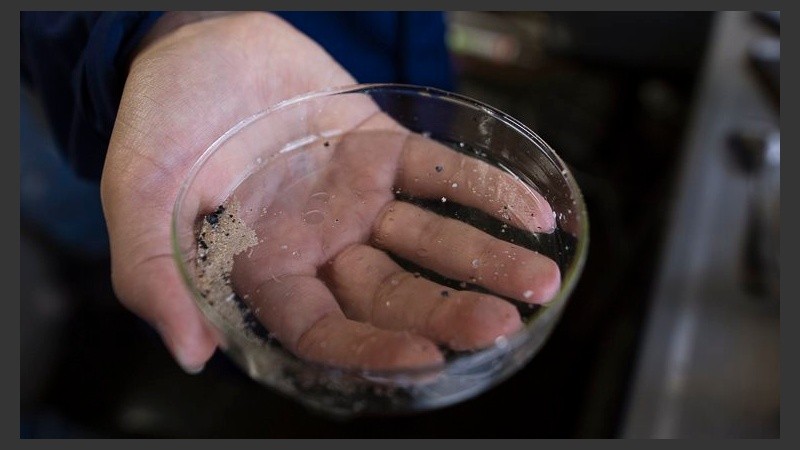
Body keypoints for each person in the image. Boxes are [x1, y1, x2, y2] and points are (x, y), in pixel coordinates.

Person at [21, 11, 560, 375]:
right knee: (139, 243)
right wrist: (159, 25)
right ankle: (92, 288)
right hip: (154, 115)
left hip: (375, 96)